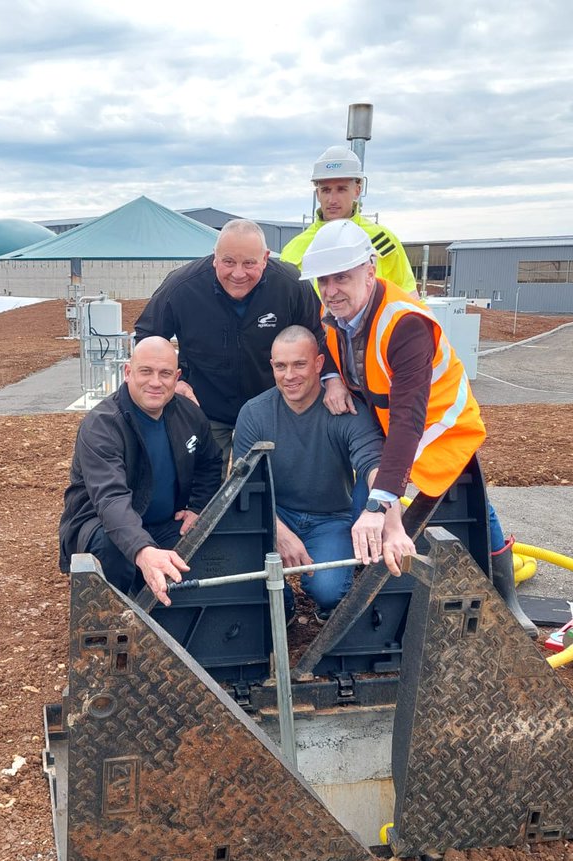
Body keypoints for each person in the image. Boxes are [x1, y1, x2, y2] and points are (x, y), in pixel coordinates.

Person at [300, 219, 536, 636]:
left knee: (467, 501)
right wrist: (331, 377)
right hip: (388, 421)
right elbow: (327, 342)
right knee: (373, 507)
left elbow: (410, 417)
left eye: (342, 277)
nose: (331, 289)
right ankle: (370, 600)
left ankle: (505, 596)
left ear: (370, 271)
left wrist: (381, 506)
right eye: (324, 280)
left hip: (438, 423)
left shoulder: (405, 323)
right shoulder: (332, 310)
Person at [234, 327, 413, 619]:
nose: (289, 375)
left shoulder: (345, 411)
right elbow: (244, 485)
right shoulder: (255, 414)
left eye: (299, 364)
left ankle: (330, 603)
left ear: (318, 364)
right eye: (281, 366)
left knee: (328, 589)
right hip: (274, 514)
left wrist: (386, 517)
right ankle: (284, 609)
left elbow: (373, 465)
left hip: (330, 518)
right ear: (272, 367)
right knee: (240, 568)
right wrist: (278, 531)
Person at [134, 219, 348, 463]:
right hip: (205, 407)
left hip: (271, 408)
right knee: (206, 487)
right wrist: (175, 383)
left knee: (271, 482)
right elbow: (147, 337)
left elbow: (320, 337)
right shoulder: (182, 287)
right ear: (215, 257)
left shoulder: (290, 286)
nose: (238, 273)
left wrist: (332, 380)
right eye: (228, 262)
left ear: (265, 258)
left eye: (249, 263)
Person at [58, 337, 224, 605]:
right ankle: (111, 615)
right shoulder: (101, 426)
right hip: (101, 524)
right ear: (127, 372)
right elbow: (110, 499)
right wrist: (142, 549)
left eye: (165, 373)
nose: (155, 382)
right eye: (146, 371)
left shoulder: (189, 414)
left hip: (165, 523)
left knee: (204, 557)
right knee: (112, 549)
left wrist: (197, 507)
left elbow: (210, 461)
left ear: (177, 376)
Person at [280, 145, 417, 297]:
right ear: (318, 194)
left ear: (357, 191)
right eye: (326, 190)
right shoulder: (293, 250)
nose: (332, 199)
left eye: (341, 189)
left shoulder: (384, 243)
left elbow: (410, 300)